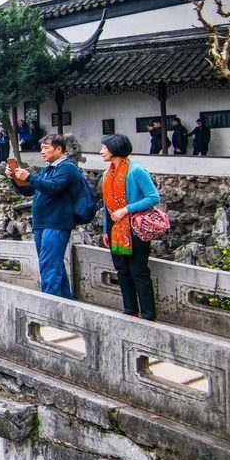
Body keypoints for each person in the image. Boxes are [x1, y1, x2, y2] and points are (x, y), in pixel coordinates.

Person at [6, 133, 88, 298]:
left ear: (58, 149)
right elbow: (30, 190)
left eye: (45, 148)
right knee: (53, 266)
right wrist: (15, 178)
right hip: (42, 223)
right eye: (41, 149)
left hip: (56, 223)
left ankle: (49, 309)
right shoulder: (48, 169)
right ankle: (65, 302)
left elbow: (54, 187)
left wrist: (29, 176)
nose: (42, 152)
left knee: (49, 266)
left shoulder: (67, 167)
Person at [99, 133, 162, 320]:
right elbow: (106, 205)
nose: (101, 151)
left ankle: (148, 314)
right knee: (122, 271)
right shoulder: (107, 174)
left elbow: (153, 197)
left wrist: (126, 209)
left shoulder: (136, 171)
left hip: (134, 227)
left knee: (139, 271)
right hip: (115, 227)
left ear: (114, 148)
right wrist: (105, 229)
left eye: (104, 147)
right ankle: (130, 310)